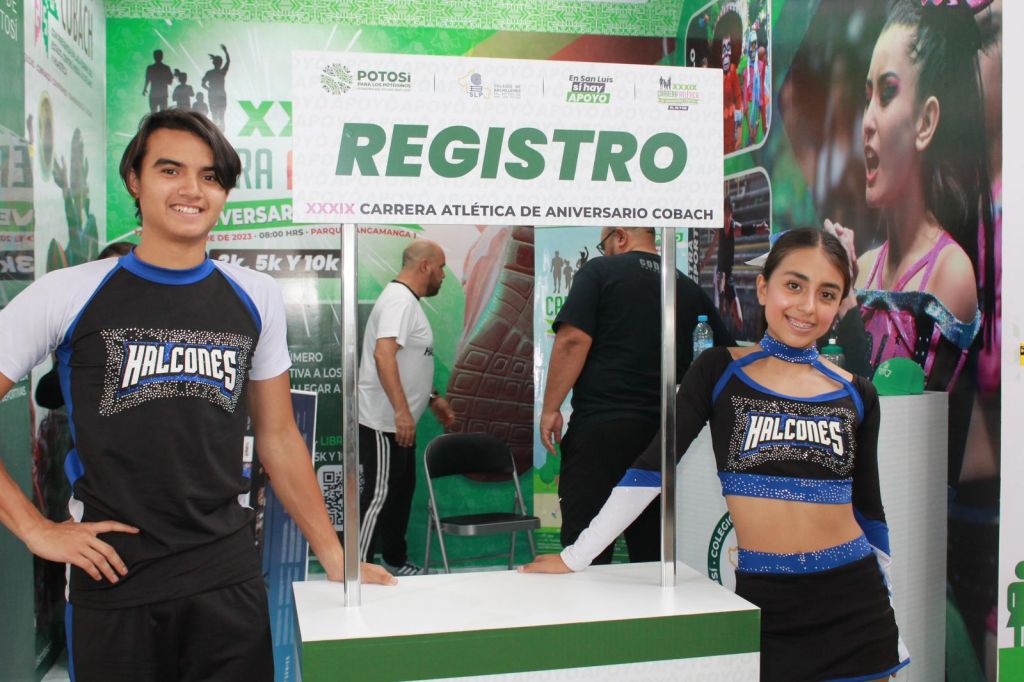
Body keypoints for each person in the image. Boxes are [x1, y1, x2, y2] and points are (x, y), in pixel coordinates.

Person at [0, 109, 395, 682]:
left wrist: (333, 553)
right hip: (114, 578)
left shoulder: (254, 295)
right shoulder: (68, 293)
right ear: (134, 180)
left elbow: (279, 437)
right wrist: (34, 528)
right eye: (170, 170)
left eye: (210, 176)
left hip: (225, 576)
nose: (192, 189)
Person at [525, 228, 910, 682]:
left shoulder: (857, 392)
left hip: (855, 608)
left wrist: (887, 604)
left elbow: (870, 512)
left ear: (840, 302)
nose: (808, 306)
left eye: (827, 294)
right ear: (763, 287)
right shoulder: (720, 371)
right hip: (767, 606)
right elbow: (651, 470)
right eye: (794, 285)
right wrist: (577, 556)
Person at [824, 0, 994, 483]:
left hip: (912, 514)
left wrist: (848, 306)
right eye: (867, 97)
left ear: (926, 122)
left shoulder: (949, 272)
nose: (867, 121)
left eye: (887, 93)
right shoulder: (864, 266)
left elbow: (892, 431)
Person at [539, 227, 733, 565]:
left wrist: (551, 408)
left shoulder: (599, 271)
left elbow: (572, 340)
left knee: (585, 554)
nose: (604, 251)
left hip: (601, 432)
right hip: (663, 441)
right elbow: (725, 355)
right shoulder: (687, 287)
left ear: (621, 237)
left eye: (604, 244)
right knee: (653, 558)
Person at [356, 240, 456, 577]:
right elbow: (383, 355)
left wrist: (432, 397)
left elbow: (409, 362)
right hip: (384, 422)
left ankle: (394, 562)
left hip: (399, 423)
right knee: (378, 497)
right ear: (425, 265)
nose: (443, 275)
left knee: (399, 495)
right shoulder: (399, 301)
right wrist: (400, 412)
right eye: (441, 267)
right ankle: (357, 570)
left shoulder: (407, 302)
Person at [202, 44, 231, 129]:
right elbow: (228, 61)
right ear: (220, 63)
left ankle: (217, 131)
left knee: (215, 114)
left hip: (214, 95)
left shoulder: (210, 73)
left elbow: (203, 84)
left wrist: (209, 89)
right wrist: (225, 51)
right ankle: (220, 131)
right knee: (220, 115)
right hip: (220, 95)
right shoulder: (221, 72)